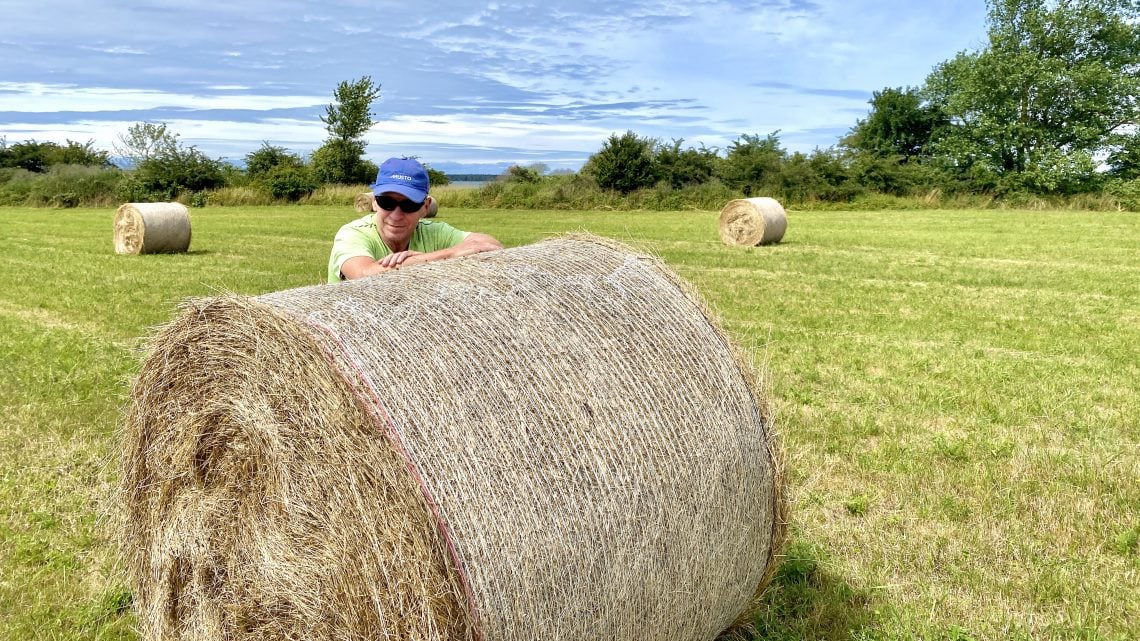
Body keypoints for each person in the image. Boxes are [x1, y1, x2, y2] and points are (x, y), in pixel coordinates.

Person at [327, 157, 502, 283]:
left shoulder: (434, 232)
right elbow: (363, 274)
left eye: (409, 205)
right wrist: (447, 255)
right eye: (386, 202)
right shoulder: (352, 233)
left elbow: (491, 246)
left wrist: (420, 259)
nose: (396, 215)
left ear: (425, 207)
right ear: (374, 202)